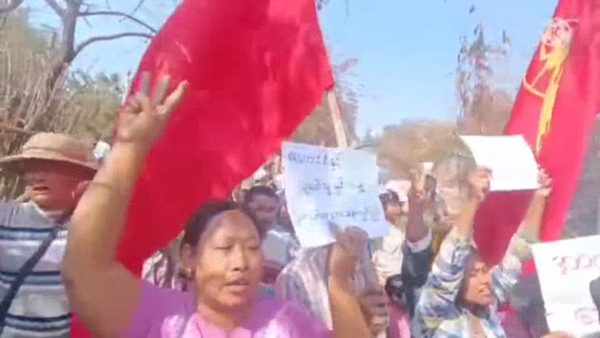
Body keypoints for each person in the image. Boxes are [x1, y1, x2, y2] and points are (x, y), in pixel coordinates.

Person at [61, 73, 372, 337]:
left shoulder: (286, 323)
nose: (241, 262)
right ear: (189, 258)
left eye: (252, 247)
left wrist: (340, 280)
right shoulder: (158, 317)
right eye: (224, 248)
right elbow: (84, 271)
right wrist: (130, 147)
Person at [414, 166, 551, 337]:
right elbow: (450, 264)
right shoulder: (432, 315)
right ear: (456, 280)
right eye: (474, 273)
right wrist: (474, 198)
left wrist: (539, 196)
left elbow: (519, 251)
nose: (485, 280)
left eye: (485, 271)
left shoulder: (487, 310)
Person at [0, 132, 98, 337]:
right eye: (32, 169)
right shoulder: (5, 217)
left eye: (48, 168)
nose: (36, 177)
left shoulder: (93, 229)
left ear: (78, 175)